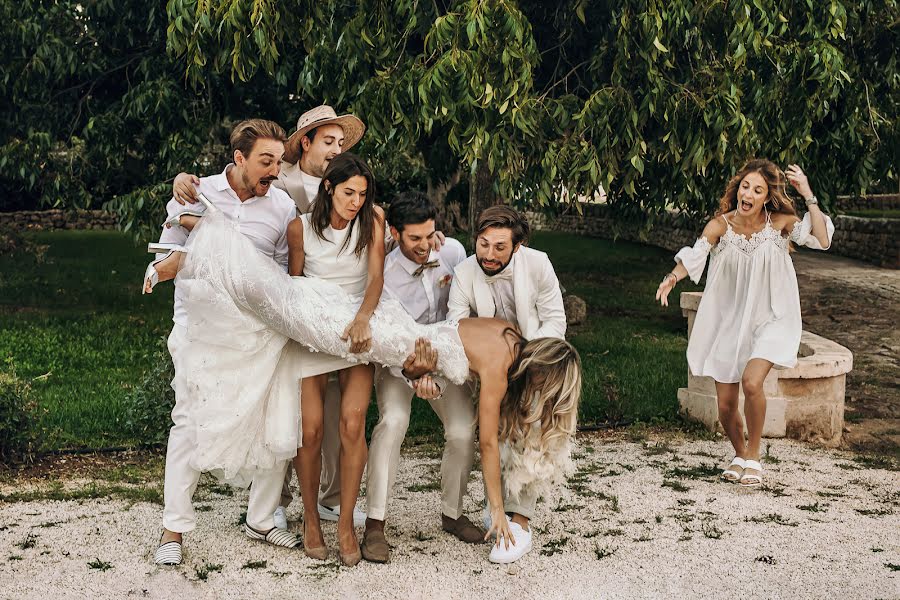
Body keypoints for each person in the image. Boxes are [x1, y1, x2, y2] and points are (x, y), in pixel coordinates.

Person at [143, 203, 582, 566]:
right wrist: (499, 512)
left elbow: (456, 336)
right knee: (291, 310)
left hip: (404, 337)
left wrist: (431, 368)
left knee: (304, 304)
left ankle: (203, 235)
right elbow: (488, 443)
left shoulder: (507, 334)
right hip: (399, 344)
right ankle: (194, 253)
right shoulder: (501, 367)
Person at [148, 119, 301, 567]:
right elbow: (167, 248)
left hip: (254, 333)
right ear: (239, 159)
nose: (274, 170)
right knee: (189, 422)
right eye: (265, 161)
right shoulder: (197, 193)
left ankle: (262, 518)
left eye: (278, 161)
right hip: (200, 329)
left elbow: (278, 273)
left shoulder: (282, 207)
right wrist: (159, 270)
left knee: (273, 418)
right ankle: (173, 529)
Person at [655, 160, 834, 487]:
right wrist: (671, 278)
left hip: (772, 318)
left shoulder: (779, 223)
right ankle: (739, 454)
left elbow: (821, 238)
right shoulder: (720, 226)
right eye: (745, 186)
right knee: (724, 405)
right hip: (729, 321)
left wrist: (808, 194)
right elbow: (695, 256)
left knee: (752, 383)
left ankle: (754, 455)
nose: (748, 193)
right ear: (737, 189)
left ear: (766, 197)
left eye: (757, 189)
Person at [361, 192, 480, 564]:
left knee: (463, 431)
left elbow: (463, 312)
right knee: (393, 422)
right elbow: (382, 335)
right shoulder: (382, 273)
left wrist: (437, 369)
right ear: (394, 233)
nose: (425, 246)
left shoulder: (453, 254)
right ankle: (375, 523)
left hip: (446, 363)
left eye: (430, 236)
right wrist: (411, 374)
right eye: (415, 238)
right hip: (398, 361)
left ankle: (452, 513)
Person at [447, 204, 567, 561]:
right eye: (483, 244)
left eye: (499, 247)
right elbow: (455, 329)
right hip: (482, 367)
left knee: (528, 428)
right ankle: (496, 503)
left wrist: (528, 362)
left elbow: (555, 322)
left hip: (535, 361)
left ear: (518, 245)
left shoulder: (539, 264)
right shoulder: (464, 272)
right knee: (493, 434)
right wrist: (487, 368)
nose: (489, 254)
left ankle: (519, 520)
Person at [285, 152, 385, 566]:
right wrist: (310, 330)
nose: (356, 201)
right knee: (309, 431)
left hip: (356, 328)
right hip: (312, 330)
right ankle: (311, 519)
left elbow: (376, 277)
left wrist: (363, 318)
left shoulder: (372, 220)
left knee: (351, 422)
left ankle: (345, 522)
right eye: (349, 192)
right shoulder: (300, 228)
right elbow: (294, 288)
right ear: (329, 187)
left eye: (362, 193)